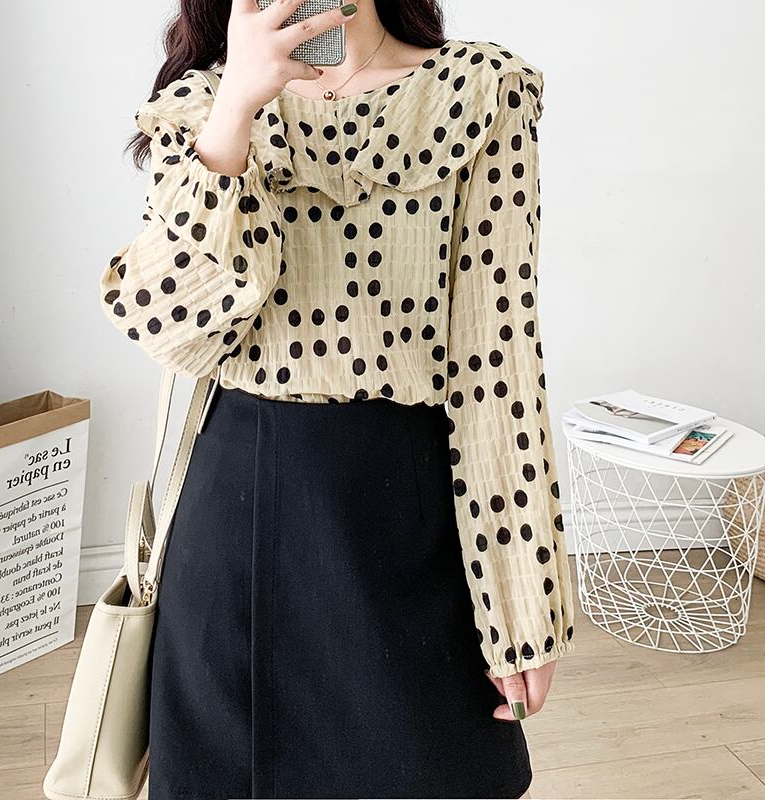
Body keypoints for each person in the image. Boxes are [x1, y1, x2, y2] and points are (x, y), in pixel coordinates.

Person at [98, 0, 576, 797]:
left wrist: (521, 607)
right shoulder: (203, 106)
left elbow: (498, 361)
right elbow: (168, 326)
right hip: (236, 524)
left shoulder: (480, 92)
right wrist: (234, 113)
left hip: (408, 517)